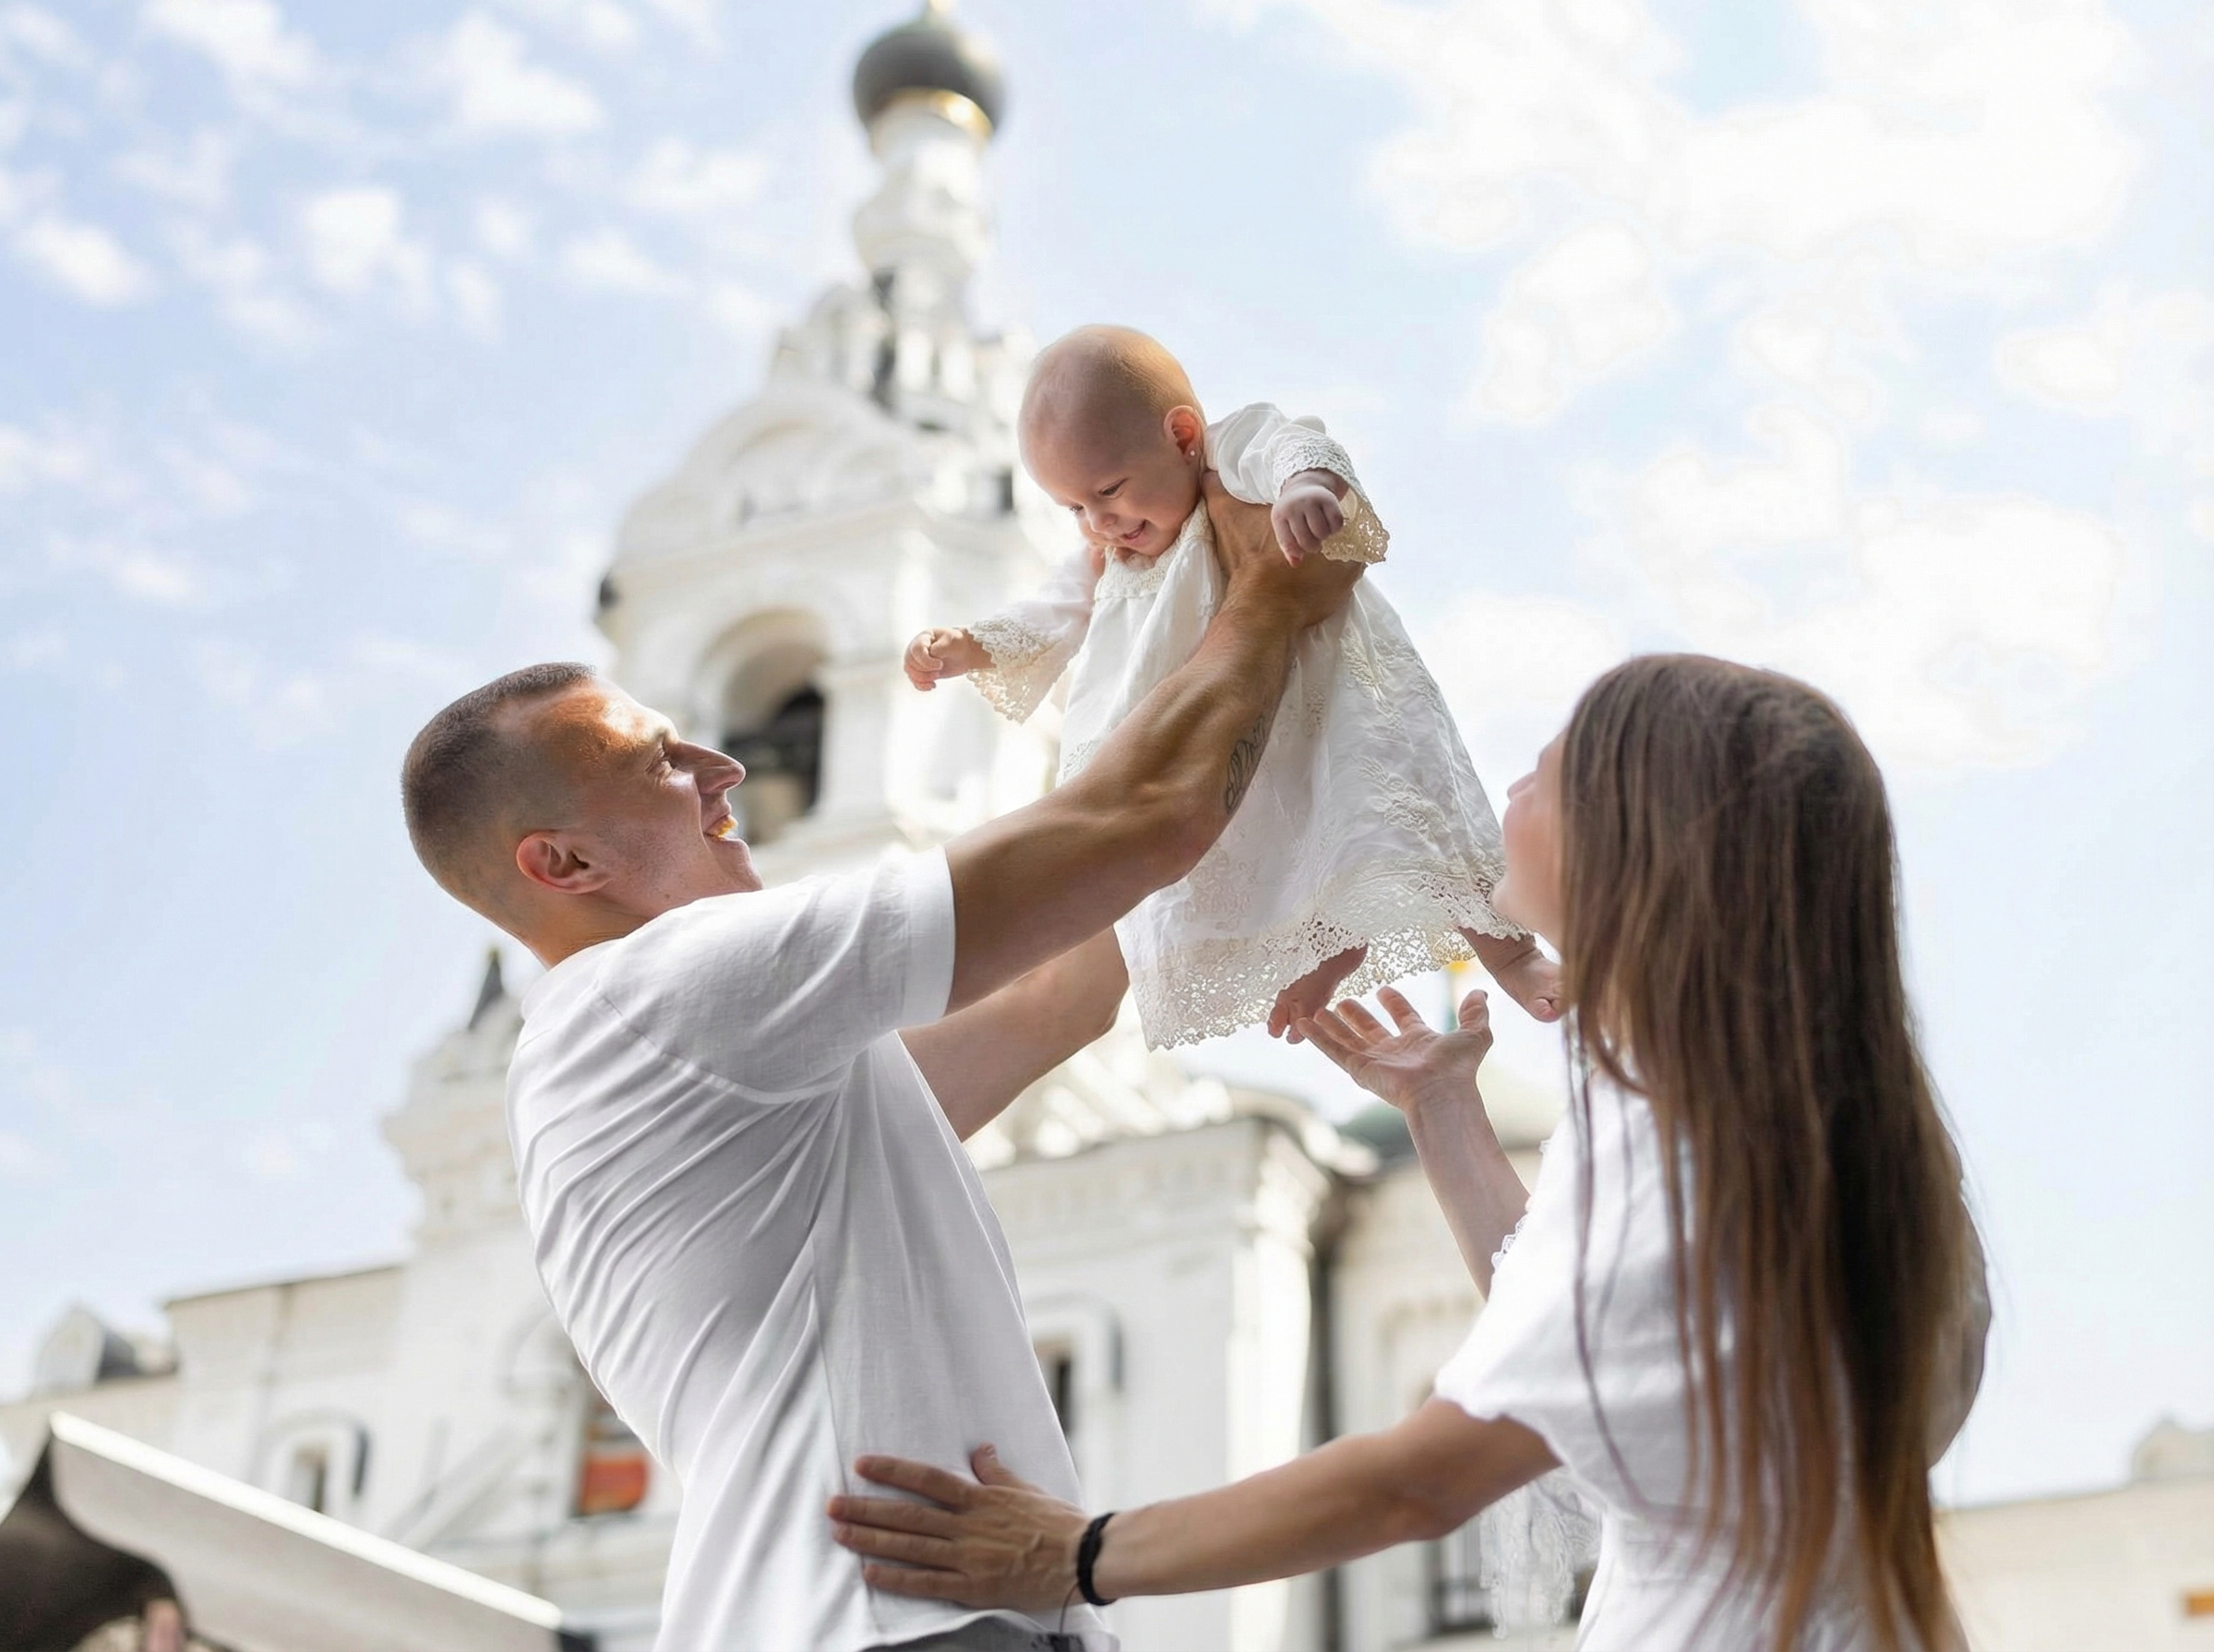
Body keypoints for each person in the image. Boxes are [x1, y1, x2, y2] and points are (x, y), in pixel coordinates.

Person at [828, 655, 1993, 1652]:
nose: (1509, 790)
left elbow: (1417, 1479)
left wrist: (1071, 1551)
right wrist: (1442, 1113)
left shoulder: (1703, 1161)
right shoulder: (1819, 1128)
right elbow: (1595, 1339)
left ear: (1640, 836)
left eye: (1546, 770)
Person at [396, 477, 1360, 1652]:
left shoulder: (728, 1062)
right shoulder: (659, 988)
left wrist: (1153, 629)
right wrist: (1267, 601)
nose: (725, 768)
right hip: (882, 1625)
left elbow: (1065, 986)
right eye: (657, 763)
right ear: (559, 860)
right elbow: (1137, 819)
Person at [901, 325, 1562, 1049]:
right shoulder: (1109, 553)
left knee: (1407, 808)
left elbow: (1296, 443)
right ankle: (1324, 950)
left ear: (1182, 436)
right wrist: (973, 645)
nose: (1099, 523)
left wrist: (1305, 487)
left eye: (1109, 490)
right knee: (1260, 851)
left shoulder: (1229, 453)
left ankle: (1516, 955)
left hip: (1320, 694)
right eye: (1075, 509)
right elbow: (1051, 611)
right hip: (1218, 736)